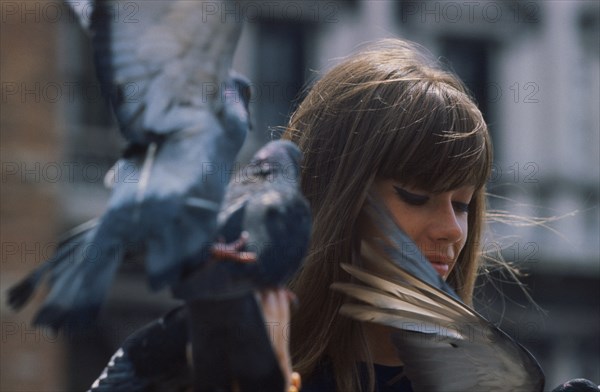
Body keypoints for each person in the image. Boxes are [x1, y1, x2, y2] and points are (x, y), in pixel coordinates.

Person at [281, 38, 492, 391]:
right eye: (416, 196)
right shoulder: (235, 368)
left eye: (462, 205)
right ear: (336, 196)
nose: (452, 230)